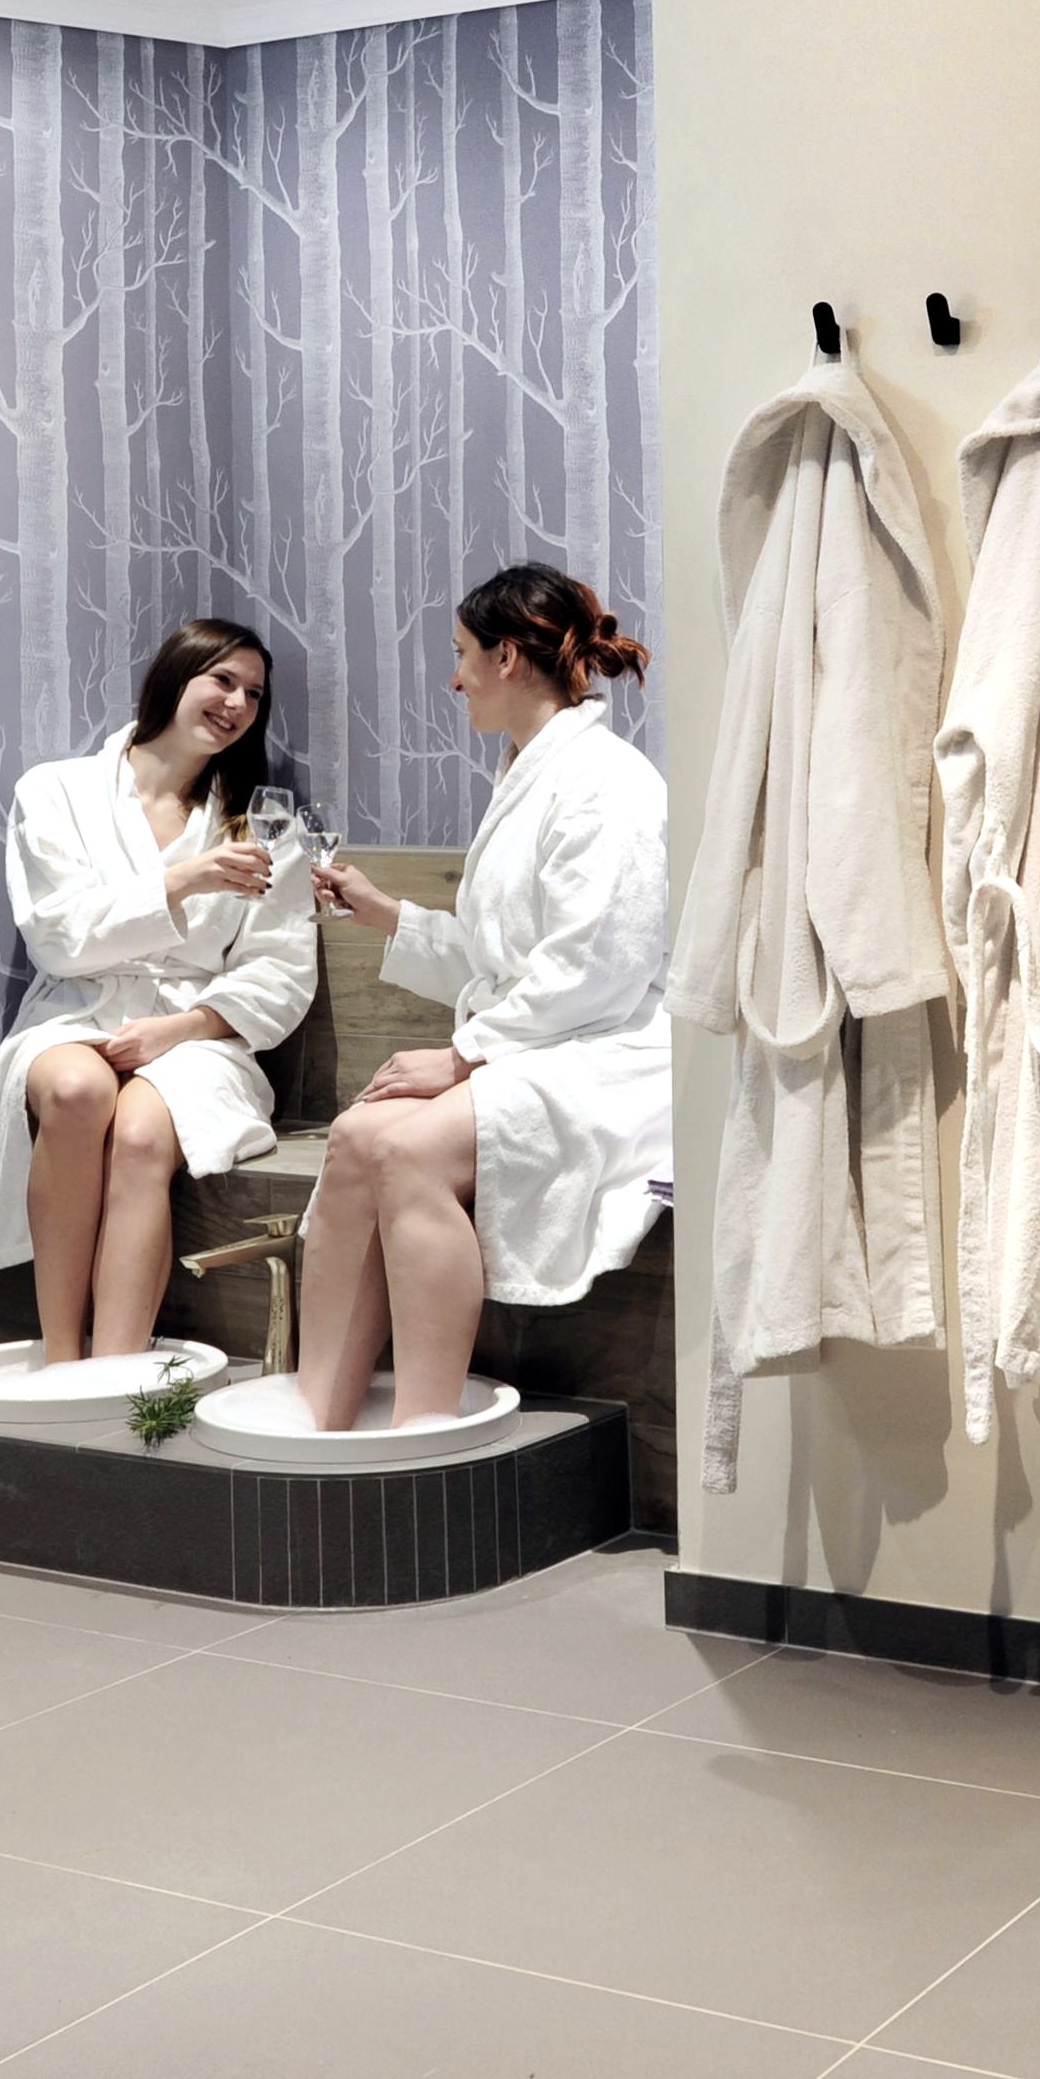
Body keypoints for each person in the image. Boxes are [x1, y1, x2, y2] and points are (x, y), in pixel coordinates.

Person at [299, 566, 668, 1433]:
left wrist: (463, 1056)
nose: (454, 677)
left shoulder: (607, 784)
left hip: (613, 1050)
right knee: (355, 1137)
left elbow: (595, 967)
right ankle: (318, 1417)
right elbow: (502, 958)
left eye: (463, 654)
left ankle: (424, 1428)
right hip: (547, 1038)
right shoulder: (529, 774)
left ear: (507, 658)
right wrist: (387, 915)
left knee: (410, 1149)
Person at [0, 620, 319, 1364]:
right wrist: (181, 881)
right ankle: (61, 1360)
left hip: (199, 1032)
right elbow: (57, 935)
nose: (238, 704)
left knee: (142, 1131)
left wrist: (177, 1030)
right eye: (223, 680)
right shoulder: (56, 792)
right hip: (77, 1010)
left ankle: (114, 1370)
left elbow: (280, 969)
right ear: (175, 675)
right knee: (76, 1091)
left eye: (254, 694)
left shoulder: (262, 823)